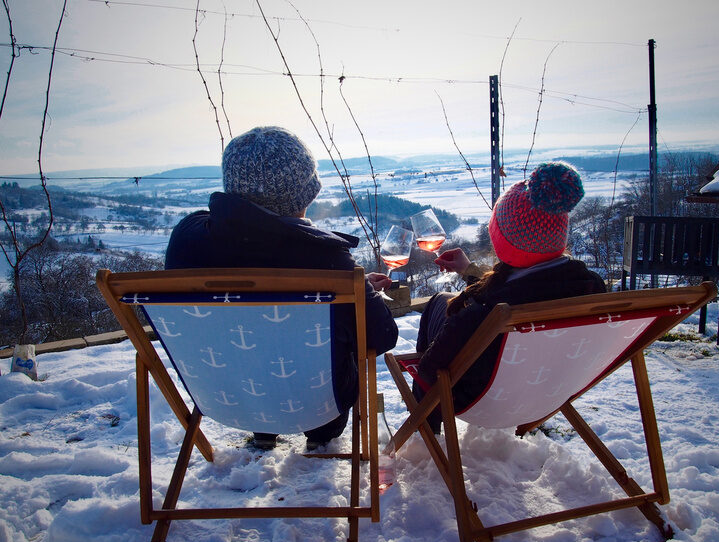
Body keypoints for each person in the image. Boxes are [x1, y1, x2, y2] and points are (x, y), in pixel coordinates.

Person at [165, 126, 399, 450]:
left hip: (228, 400)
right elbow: (382, 336)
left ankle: (262, 429)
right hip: (317, 410)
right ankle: (320, 438)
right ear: (305, 193)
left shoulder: (186, 241)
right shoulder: (326, 259)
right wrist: (358, 292)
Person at [414, 162, 606, 433]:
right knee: (444, 299)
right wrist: (470, 272)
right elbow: (531, 285)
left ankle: (427, 428)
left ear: (502, 241)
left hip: (481, 399)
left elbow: (429, 369)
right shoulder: (591, 288)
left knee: (438, 303)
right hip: (547, 394)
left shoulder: (487, 311)